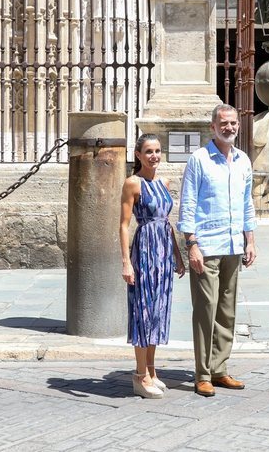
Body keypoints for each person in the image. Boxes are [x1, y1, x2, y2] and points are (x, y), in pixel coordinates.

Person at [178, 104, 257, 397]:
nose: (229, 128)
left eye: (234, 123)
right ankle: (202, 373)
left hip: (234, 245)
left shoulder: (243, 161)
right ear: (212, 127)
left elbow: (247, 203)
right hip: (207, 246)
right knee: (205, 311)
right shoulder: (199, 160)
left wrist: (250, 240)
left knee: (227, 310)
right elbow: (187, 203)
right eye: (223, 123)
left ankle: (220, 368)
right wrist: (191, 244)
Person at [119, 133, 185, 399]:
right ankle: (139, 375)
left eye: (157, 151)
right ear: (138, 155)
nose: (154, 156)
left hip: (164, 251)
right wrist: (126, 263)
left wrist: (178, 255)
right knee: (143, 311)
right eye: (148, 151)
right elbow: (123, 225)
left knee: (158, 311)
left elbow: (166, 222)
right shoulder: (132, 183)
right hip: (144, 250)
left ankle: (152, 371)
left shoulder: (164, 182)